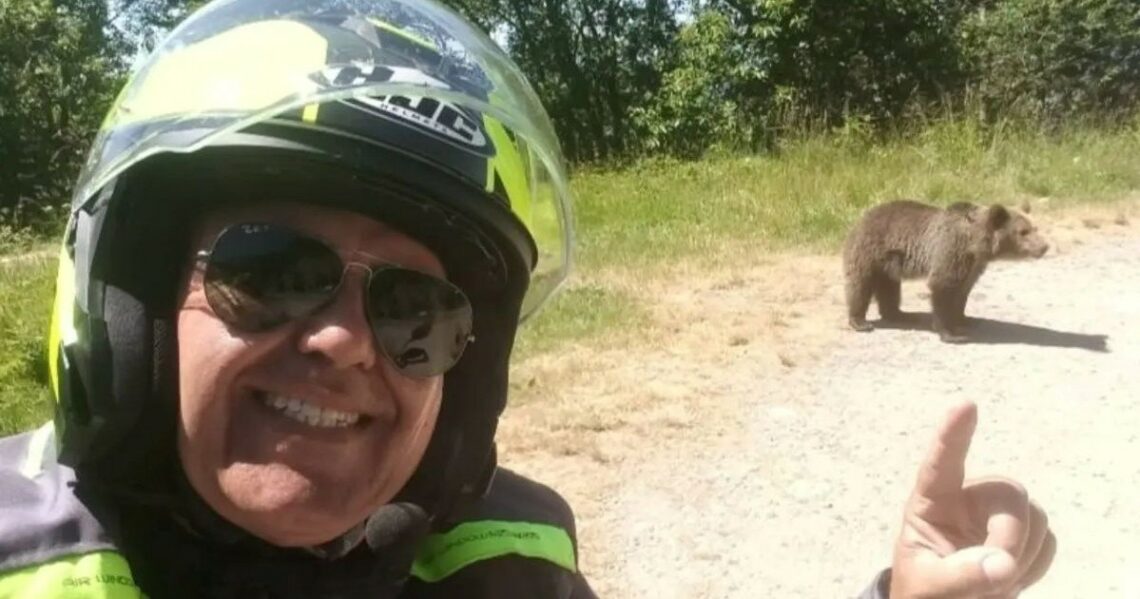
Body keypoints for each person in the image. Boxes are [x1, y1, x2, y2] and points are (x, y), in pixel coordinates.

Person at [0, 0, 1055, 597]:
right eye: (270, 269)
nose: (346, 340)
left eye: (418, 310)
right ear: (129, 301)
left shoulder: (506, 563)